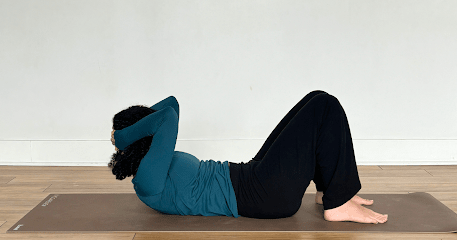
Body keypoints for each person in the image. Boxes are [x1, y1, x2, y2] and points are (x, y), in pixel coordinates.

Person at [108, 91, 388, 224]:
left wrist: (131, 128)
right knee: (324, 105)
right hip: (261, 196)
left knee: (315, 99)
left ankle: (328, 191)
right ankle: (337, 206)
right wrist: (121, 137)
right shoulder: (147, 180)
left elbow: (172, 104)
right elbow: (167, 116)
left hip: (250, 177)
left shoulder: (155, 160)